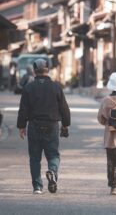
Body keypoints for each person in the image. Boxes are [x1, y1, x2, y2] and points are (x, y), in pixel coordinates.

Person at [17, 58, 71, 195]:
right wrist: (65, 125)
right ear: (48, 70)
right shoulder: (56, 87)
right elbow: (64, 108)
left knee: (34, 157)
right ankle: (52, 172)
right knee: (53, 155)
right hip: (52, 126)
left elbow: (23, 109)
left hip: (34, 125)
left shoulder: (28, 87)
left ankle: (37, 187)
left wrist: (21, 126)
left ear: (35, 70)